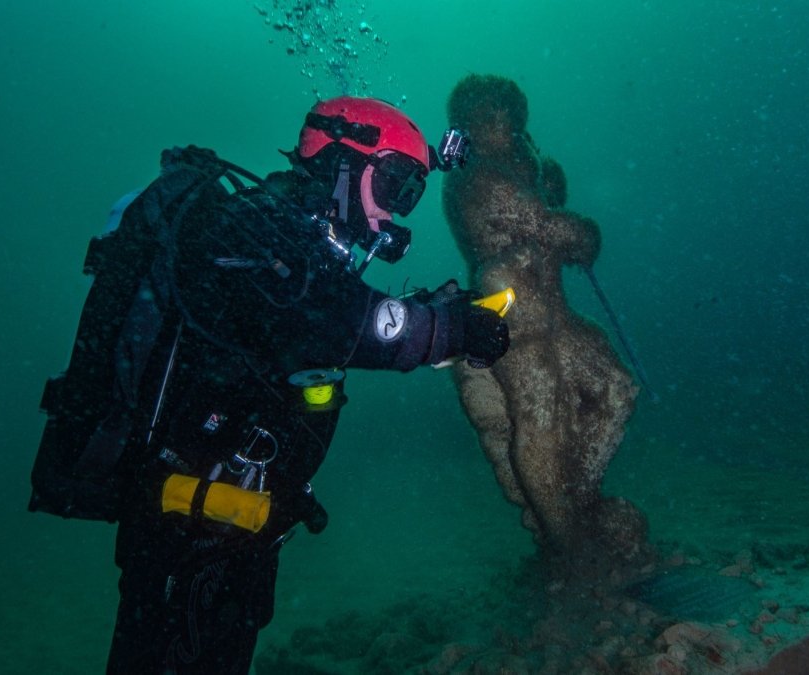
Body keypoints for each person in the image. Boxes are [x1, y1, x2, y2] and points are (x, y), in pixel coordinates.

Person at [97, 96, 509, 673]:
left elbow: (326, 317)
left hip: (234, 524)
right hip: (185, 531)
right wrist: (447, 328)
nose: (396, 212)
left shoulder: (298, 253)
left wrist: (430, 314)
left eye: (410, 194)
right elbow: (335, 321)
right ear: (340, 165)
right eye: (393, 185)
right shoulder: (256, 232)